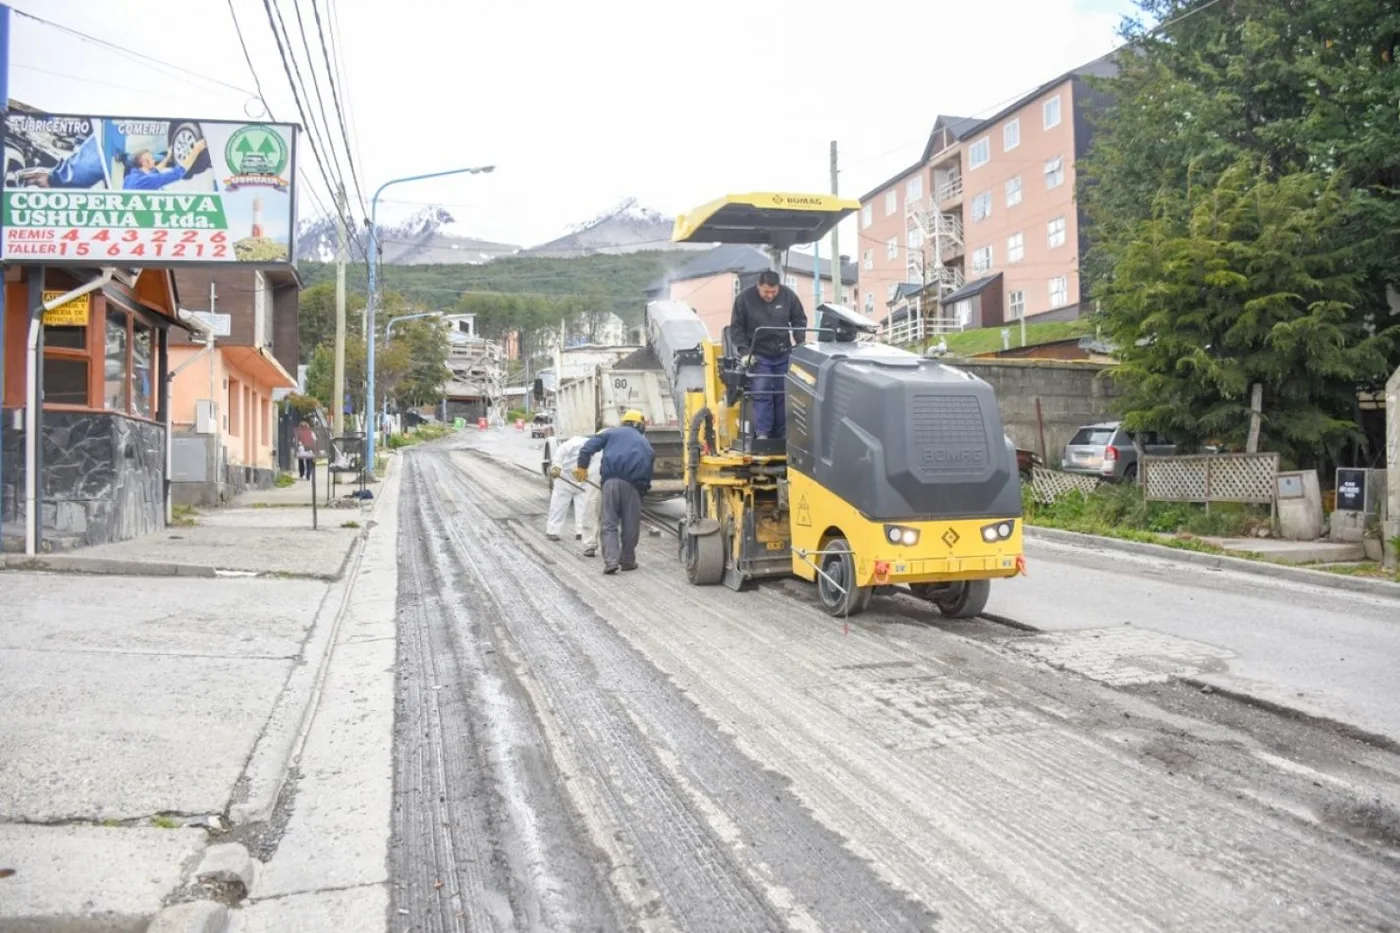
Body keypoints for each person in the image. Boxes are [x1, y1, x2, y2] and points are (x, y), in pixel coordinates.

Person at [574, 410, 654, 575]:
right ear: (640, 425)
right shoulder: (645, 444)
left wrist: (582, 467)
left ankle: (611, 561)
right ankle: (627, 561)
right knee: (630, 525)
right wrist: (643, 491)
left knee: (609, 523)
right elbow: (648, 469)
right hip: (633, 486)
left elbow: (587, 448)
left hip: (610, 483)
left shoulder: (611, 433)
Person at [730, 269, 806, 439]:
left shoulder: (788, 296)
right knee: (762, 392)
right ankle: (763, 434)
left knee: (783, 393)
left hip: (782, 352)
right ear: (758, 286)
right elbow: (736, 329)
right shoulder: (744, 300)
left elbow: (799, 319)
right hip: (758, 354)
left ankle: (783, 436)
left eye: (774, 292)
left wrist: (800, 341)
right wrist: (745, 352)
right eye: (766, 292)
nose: (770, 296)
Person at [546, 435, 589, 542]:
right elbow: (559, 453)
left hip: (582, 478)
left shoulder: (599, 448)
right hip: (565, 477)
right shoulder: (574, 443)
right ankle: (552, 530)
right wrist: (556, 466)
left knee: (583, 507)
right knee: (558, 506)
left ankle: (581, 531)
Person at [122, 139, 207, 191]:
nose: (154, 160)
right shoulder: (145, 181)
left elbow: (156, 170)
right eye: (151, 158)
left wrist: (167, 157)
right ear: (144, 163)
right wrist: (196, 150)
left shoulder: (130, 178)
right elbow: (177, 173)